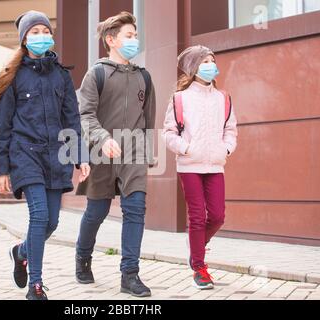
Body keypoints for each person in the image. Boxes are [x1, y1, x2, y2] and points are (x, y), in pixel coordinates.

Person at [0, 10, 90, 301]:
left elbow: (72, 120)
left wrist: (80, 156)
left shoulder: (61, 75)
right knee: (39, 216)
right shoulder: (14, 76)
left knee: (52, 223)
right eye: (34, 33)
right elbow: (3, 125)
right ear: (23, 39)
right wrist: (0, 169)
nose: (41, 37)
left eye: (45, 32)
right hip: (25, 154)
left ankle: (20, 253)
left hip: (55, 156)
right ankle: (36, 285)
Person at [75, 11, 156, 298]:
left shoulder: (144, 77)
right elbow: (84, 115)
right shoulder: (96, 73)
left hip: (133, 153)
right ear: (111, 40)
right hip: (102, 153)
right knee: (96, 211)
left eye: (136, 35)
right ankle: (83, 256)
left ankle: (129, 274)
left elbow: (148, 119)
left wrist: (148, 155)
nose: (135, 40)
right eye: (129, 36)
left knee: (135, 210)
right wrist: (102, 138)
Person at [162, 45, 238, 290]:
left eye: (212, 60)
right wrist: (186, 149)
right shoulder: (180, 99)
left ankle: (195, 248)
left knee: (217, 216)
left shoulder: (223, 98)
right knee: (197, 216)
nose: (210, 65)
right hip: (189, 165)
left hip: (215, 165)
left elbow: (231, 130)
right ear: (193, 68)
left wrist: (225, 148)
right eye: (204, 61)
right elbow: (169, 133)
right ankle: (199, 267)